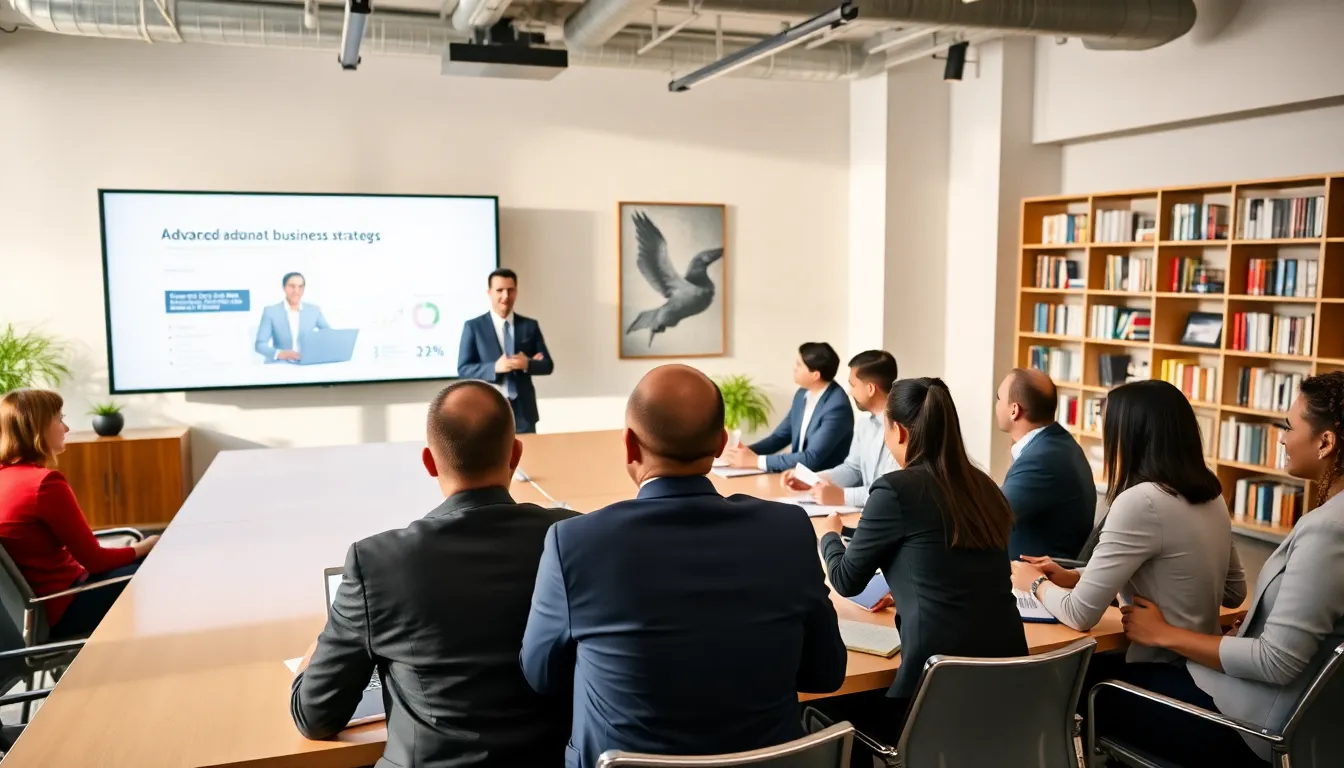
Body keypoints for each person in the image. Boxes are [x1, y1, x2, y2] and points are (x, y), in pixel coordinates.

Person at [520, 364, 846, 767]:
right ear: (720, 442)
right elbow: (826, 674)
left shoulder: (576, 543)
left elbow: (541, 677)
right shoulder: (789, 530)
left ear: (628, 445)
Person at [290, 381, 576, 766]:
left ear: (428, 462)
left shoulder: (377, 562)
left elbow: (316, 717)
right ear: (516, 455)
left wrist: (310, 662)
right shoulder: (575, 541)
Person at [1110, 371, 1344, 767]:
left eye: (1289, 426)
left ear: (1326, 441)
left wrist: (1164, 633)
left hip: (1252, 728)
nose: (1283, 438)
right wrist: (1251, 627)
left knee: (1087, 687)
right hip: (1303, 723)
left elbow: (1276, 662)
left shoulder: (1329, 530)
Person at [817, 377, 1026, 758]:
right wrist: (910, 586)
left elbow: (846, 579)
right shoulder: (984, 486)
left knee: (825, 712)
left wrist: (828, 536)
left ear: (896, 430)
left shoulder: (895, 489)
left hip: (932, 695)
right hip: (1008, 690)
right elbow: (962, 561)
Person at [1011, 380, 1246, 655]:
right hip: (1202, 668)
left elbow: (1079, 614)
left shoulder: (1141, 502)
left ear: (1131, 436)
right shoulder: (1212, 493)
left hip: (1158, 674)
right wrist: (1075, 576)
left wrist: (1035, 583)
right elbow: (1233, 592)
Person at [0, 389, 158, 639]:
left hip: (28, 615)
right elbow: (95, 560)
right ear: (38, 428)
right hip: (63, 607)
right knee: (160, 569)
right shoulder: (43, 484)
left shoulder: (5, 479)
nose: (67, 428)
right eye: (59, 419)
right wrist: (145, 545)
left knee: (144, 565)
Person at [994, 368, 1097, 560]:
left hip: (1037, 580)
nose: (996, 404)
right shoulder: (1058, 443)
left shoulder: (1041, 460)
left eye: (998, 398)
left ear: (1014, 410)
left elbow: (990, 517)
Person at [783, 350, 899, 507]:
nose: (850, 392)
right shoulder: (865, 425)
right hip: (867, 514)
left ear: (870, 389)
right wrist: (812, 480)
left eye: (853, 385)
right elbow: (853, 470)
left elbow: (890, 492)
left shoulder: (900, 429)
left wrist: (844, 496)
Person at [723, 342, 854, 473]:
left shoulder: (837, 407)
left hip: (823, 481)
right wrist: (742, 453)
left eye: (799, 365)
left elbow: (811, 458)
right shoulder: (803, 393)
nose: (794, 368)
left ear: (815, 375)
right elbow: (780, 437)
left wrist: (756, 461)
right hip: (796, 477)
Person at [457, 268, 553, 434]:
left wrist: (527, 364)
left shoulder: (529, 326)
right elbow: (463, 368)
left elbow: (547, 365)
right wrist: (494, 367)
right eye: (499, 290)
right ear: (489, 292)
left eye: (510, 290)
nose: (505, 296)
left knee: (528, 458)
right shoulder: (474, 327)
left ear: (516, 291)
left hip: (524, 412)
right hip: (489, 409)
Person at [255, 271, 331, 362]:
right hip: (280, 365)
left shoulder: (314, 310)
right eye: (292, 286)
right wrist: (279, 353)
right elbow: (260, 345)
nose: (296, 291)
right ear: (284, 288)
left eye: (300, 287)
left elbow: (329, 335)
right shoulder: (271, 311)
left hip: (307, 363)